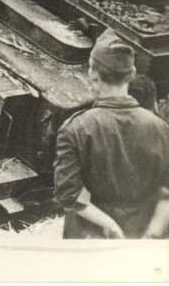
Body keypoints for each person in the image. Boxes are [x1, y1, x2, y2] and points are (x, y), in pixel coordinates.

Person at [53, 30, 169, 238]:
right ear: (131, 74)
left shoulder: (75, 128)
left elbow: (68, 195)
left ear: (93, 75)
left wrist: (111, 225)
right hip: (141, 240)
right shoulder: (161, 128)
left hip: (89, 238)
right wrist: (152, 234)